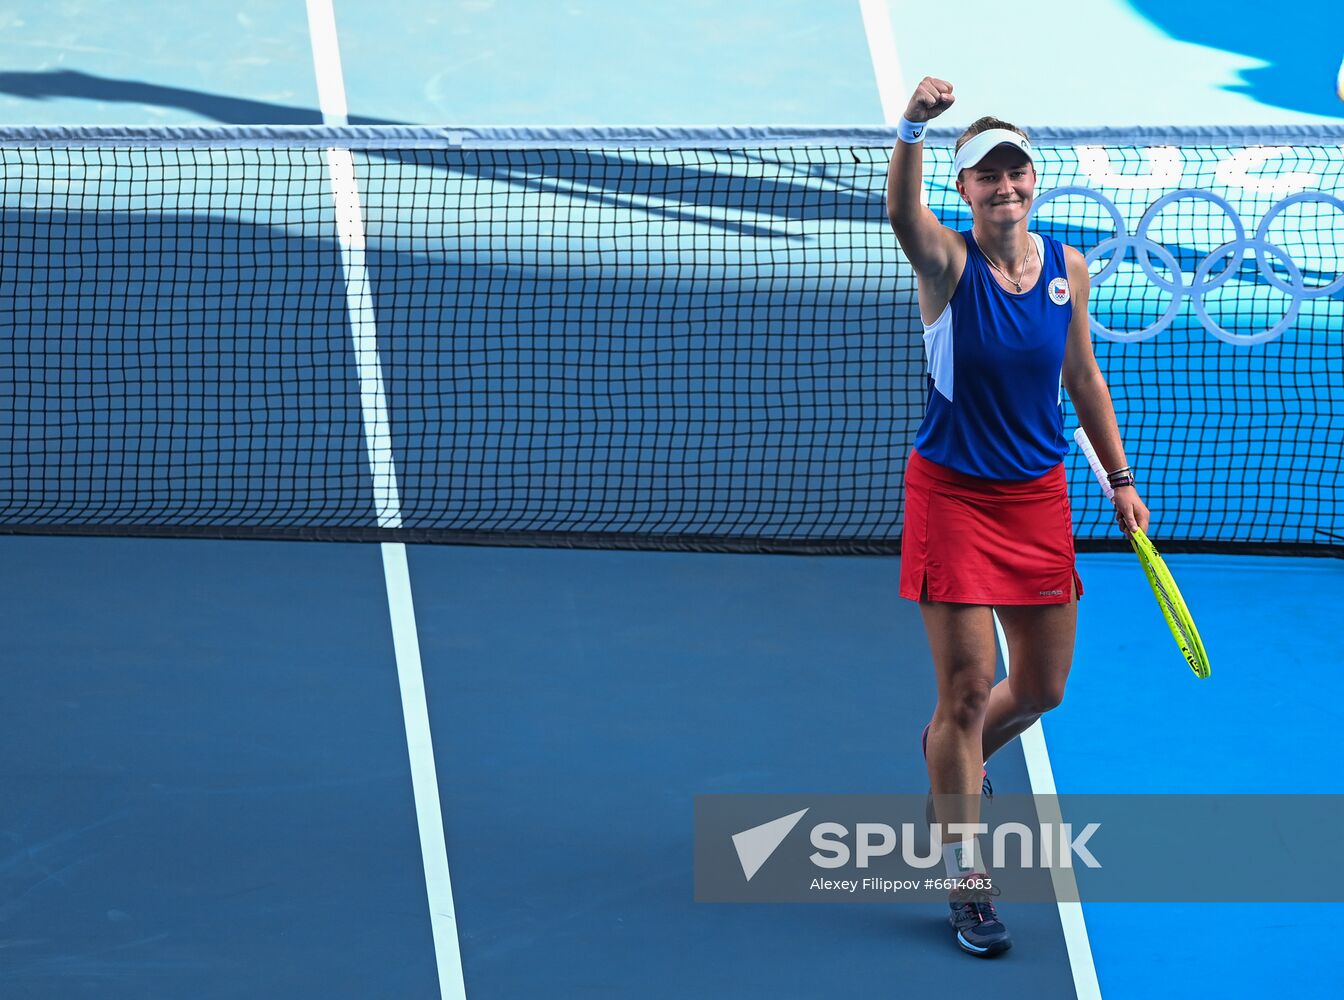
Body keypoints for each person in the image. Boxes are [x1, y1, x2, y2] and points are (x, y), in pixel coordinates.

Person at [886, 77, 1150, 957]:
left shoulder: (1069, 270)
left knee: (1039, 690)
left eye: (1016, 172)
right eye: (986, 176)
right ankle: (967, 878)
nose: (1004, 186)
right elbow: (900, 215)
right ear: (964, 190)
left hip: (1038, 500)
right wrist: (912, 129)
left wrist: (1118, 479)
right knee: (965, 692)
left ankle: (948, 760)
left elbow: (1083, 380)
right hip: (953, 498)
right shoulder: (945, 264)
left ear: (1035, 180)